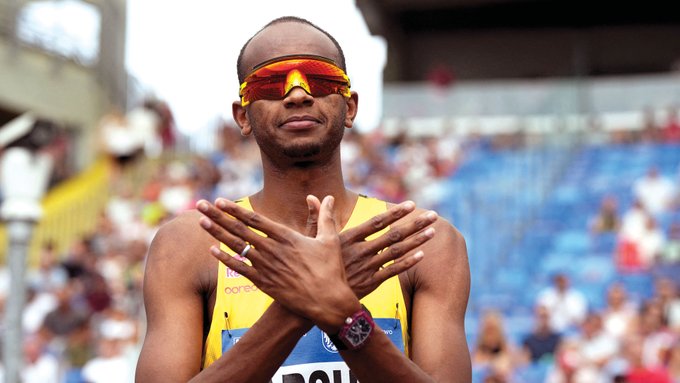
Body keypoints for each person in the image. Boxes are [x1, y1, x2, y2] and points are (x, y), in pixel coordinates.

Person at [135, 16, 471, 383]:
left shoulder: (422, 242)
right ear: (242, 116)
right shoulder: (191, 244)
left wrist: (344, 317)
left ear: (351, 107)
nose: (298, 93)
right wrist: (305, 305)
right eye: (271, 82)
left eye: (321, 79)